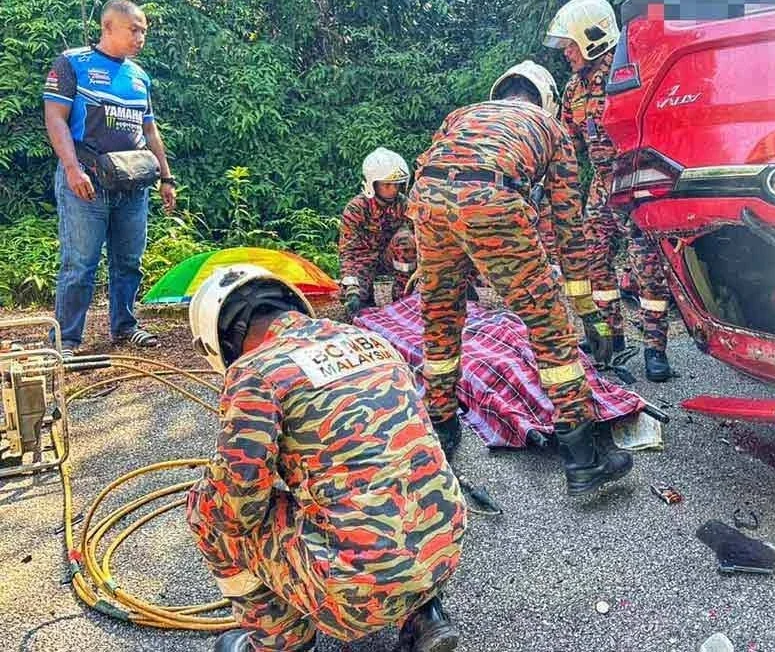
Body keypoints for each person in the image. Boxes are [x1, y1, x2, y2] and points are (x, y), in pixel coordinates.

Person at [185, 264, 466, 652]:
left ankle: (282, 641)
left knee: (208, 513)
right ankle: (423, 613)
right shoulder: (370, 341)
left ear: (222, 341)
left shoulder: (255, 372)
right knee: (393, 476)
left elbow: (236, 511)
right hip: (443, 550)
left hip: (360, 587)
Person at [408, 60, 633, 496]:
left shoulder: (463, 114)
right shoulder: (552, 130)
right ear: (546, 100)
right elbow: (568, 227)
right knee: (548, 327)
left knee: (440, 315)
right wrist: (585, 308)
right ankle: (584, 458)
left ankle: (441, 424)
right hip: (492, 199)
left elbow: (434, 170)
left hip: (427, 202)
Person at [544, 0, 677, 382]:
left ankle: (655, 349)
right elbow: (567, 144)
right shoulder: (573, 90)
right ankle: (610, 337)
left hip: (635, 186)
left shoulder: (630, 74)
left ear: (592, 38)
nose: (566, 52)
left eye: (570, 44)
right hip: (601, 190)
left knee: (647, 269)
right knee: (594, 263)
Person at [42, 0, 176, 356]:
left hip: (133, 183)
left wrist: (166, 178)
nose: (140, 37)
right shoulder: (72, 63)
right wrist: (72, 168)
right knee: (80, 264)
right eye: (134, 29)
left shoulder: (139, 77)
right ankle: (66, 340)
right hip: (86, 180)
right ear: (108, 27)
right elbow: (55, 118)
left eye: (144, 31)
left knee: (129, 261)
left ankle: (125, 326)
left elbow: (150, 130)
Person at [338, 147, 417, 321]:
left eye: (396, 184)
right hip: (363, 263)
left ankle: (404, 298)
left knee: (405, 240)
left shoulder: (405, 205)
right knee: (354, 299)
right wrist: (351, 286)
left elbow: (423, 236)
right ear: (372, 184)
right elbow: (348, 252)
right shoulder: (356, 208)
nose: (393, 189)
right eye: (386, 184)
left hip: (393, 263)